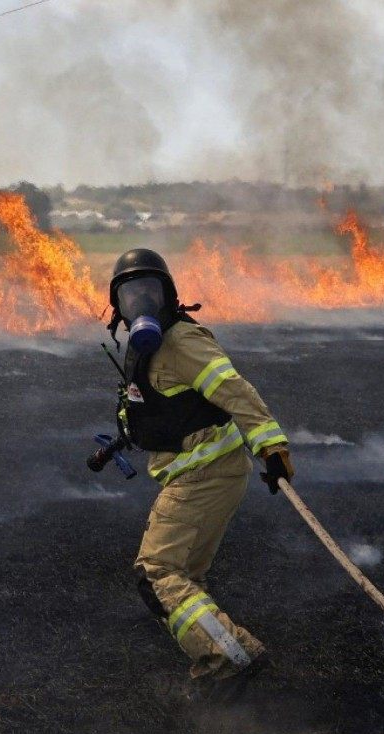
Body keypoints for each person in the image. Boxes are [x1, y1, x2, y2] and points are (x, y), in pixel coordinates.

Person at [106, 248, 294, 692]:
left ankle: (229, 657)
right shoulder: (150, 349)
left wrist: (271, 447)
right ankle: (228, 652)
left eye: (150, 291)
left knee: (158, 572)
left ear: (169, 295)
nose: (141, 302)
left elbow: (234, 390)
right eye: (131, 294)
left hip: (203, 474)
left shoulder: (182, 342)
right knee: (185, 575)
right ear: (117, 305)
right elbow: (163, 406)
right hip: (202, 470)